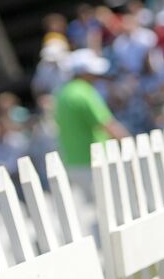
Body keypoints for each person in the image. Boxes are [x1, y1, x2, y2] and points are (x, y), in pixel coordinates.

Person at [54, 48, 131, 233]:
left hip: (74, 161)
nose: (97, 76)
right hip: (94, 160)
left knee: (101, 209)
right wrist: (130, 144)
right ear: (83, 72)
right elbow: (108, 124)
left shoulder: (62, 94)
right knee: (112, 210)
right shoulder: (84, 93)